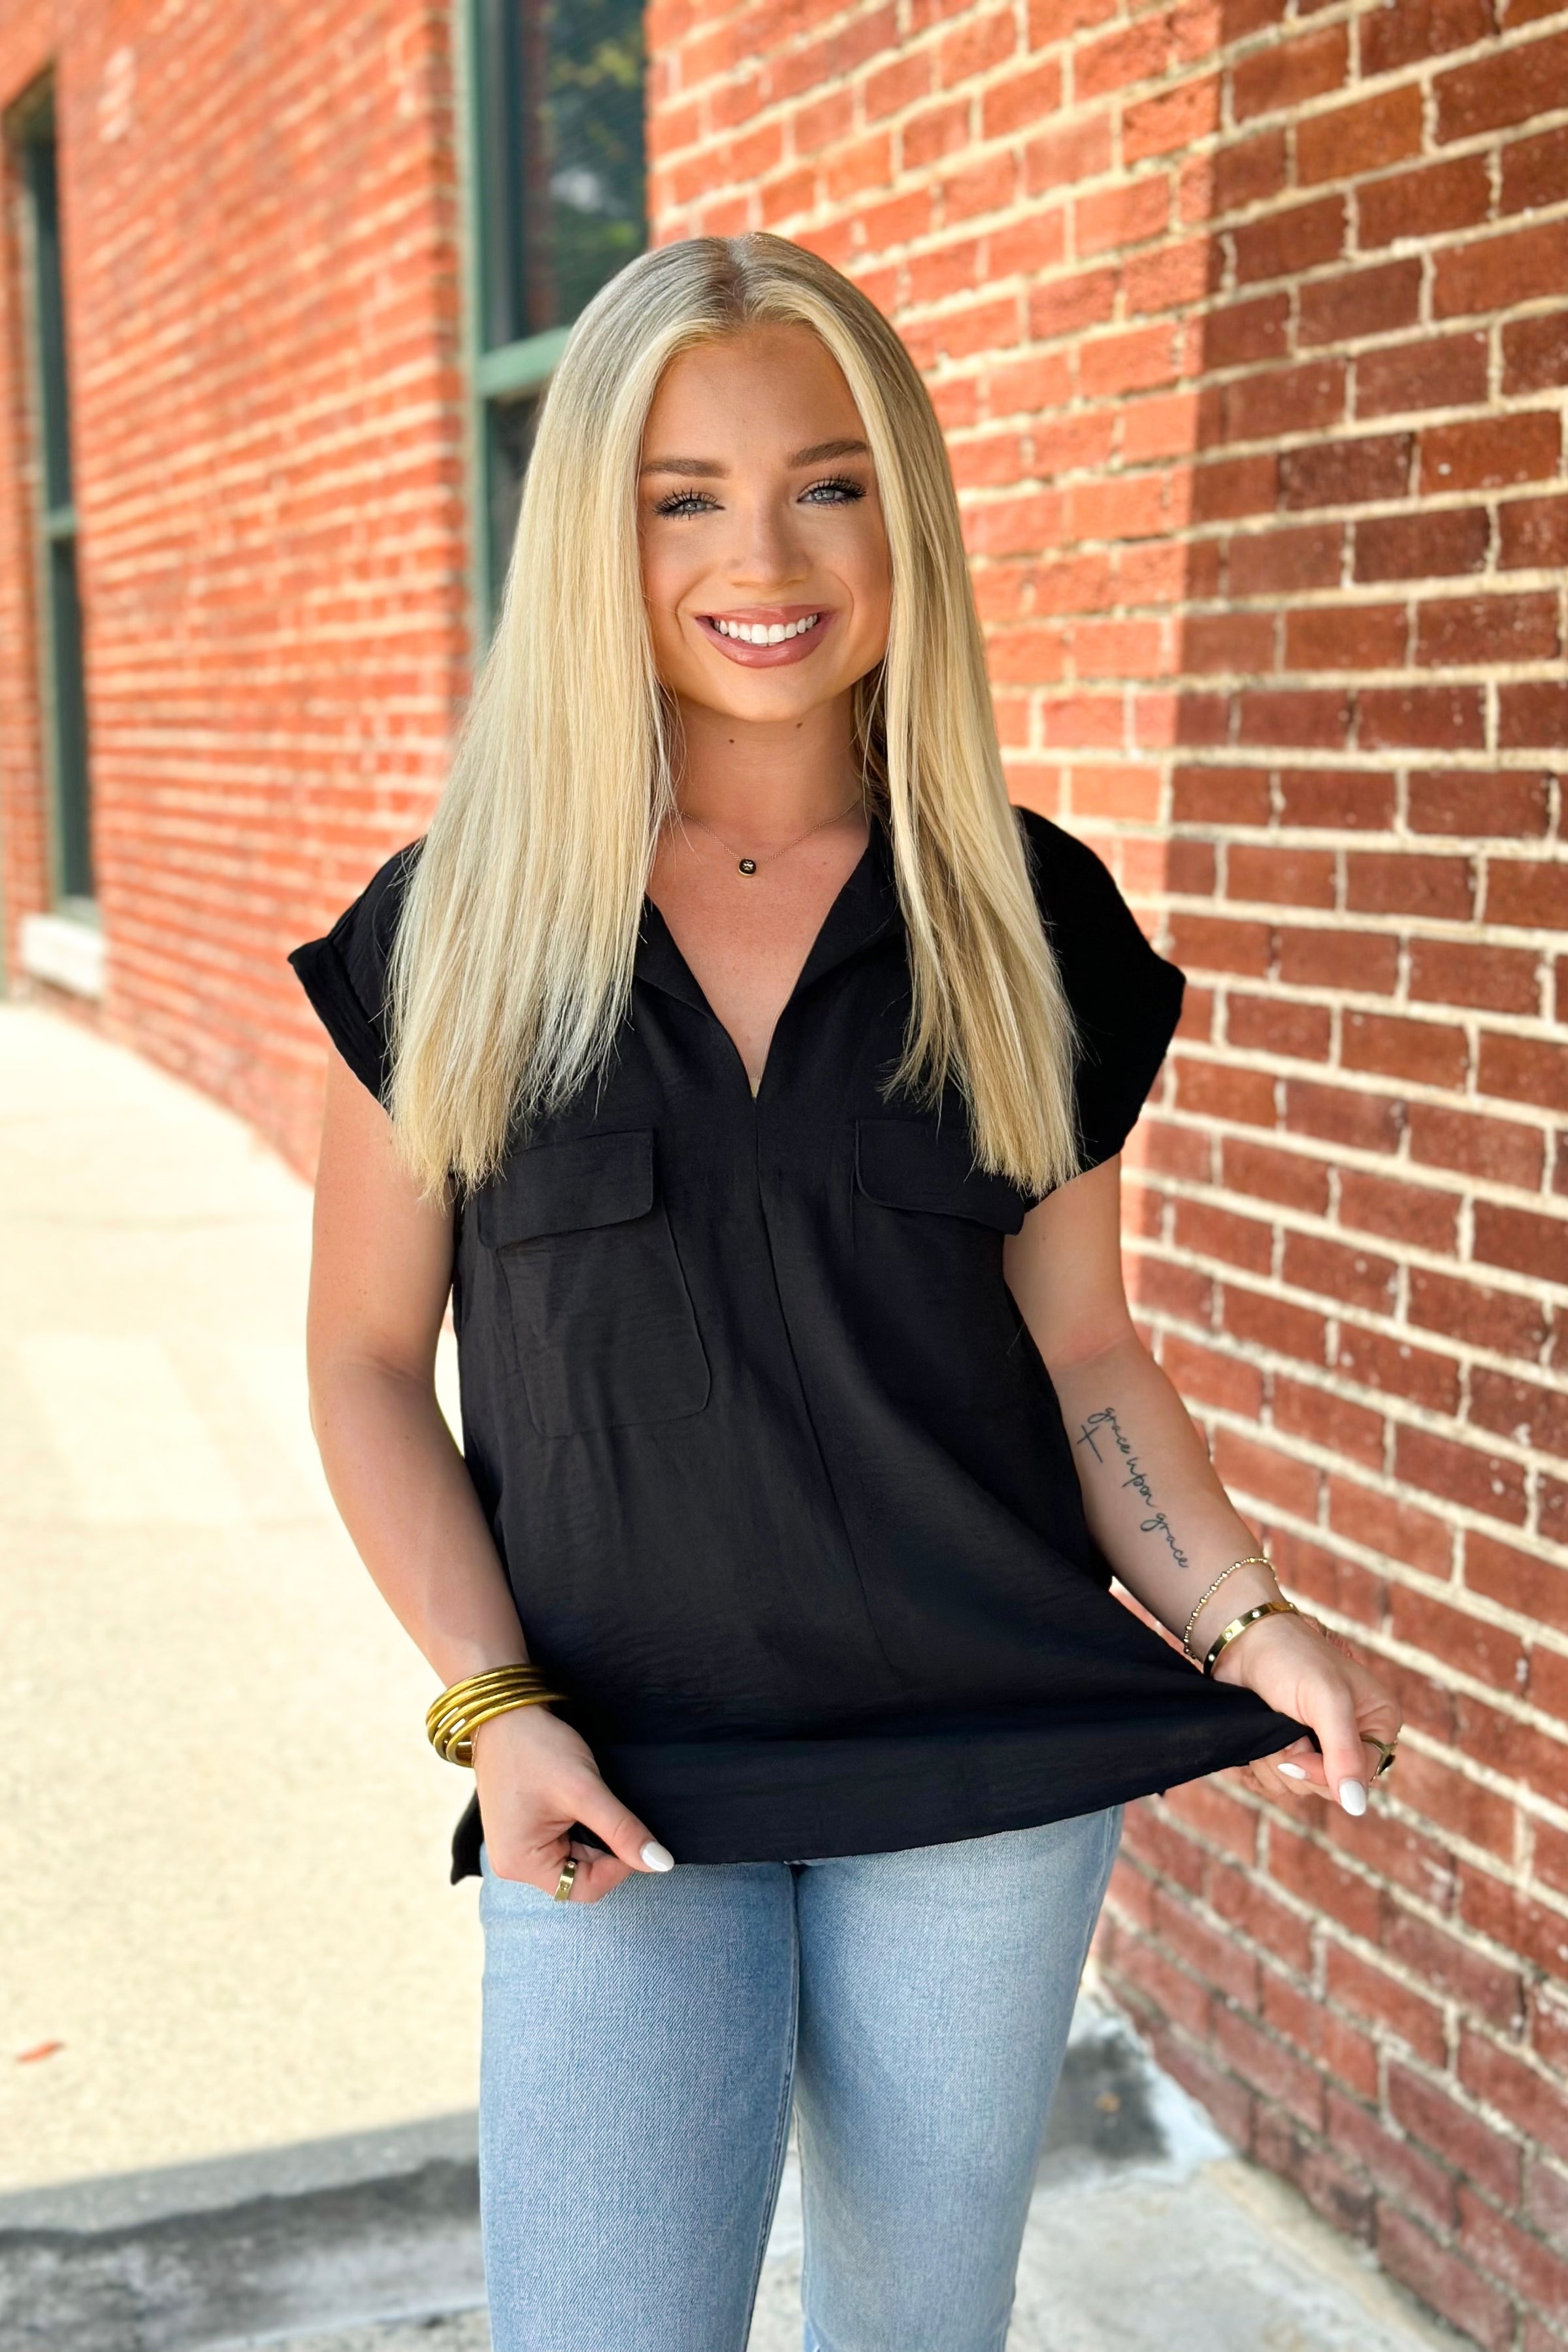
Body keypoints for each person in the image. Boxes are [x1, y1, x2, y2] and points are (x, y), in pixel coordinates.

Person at [292, 233, 1401, 2352]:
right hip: (620, 1778)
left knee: (917, 2328)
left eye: (828, 482)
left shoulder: (1024, 914)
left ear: (907, 512)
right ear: (594, 534)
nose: (763, 558)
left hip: (983, 1770)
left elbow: (1083, 1347)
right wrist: (496, 1710)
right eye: (680, 497)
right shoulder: (459, 929)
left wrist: (1246, 1619)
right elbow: (360, 1366)